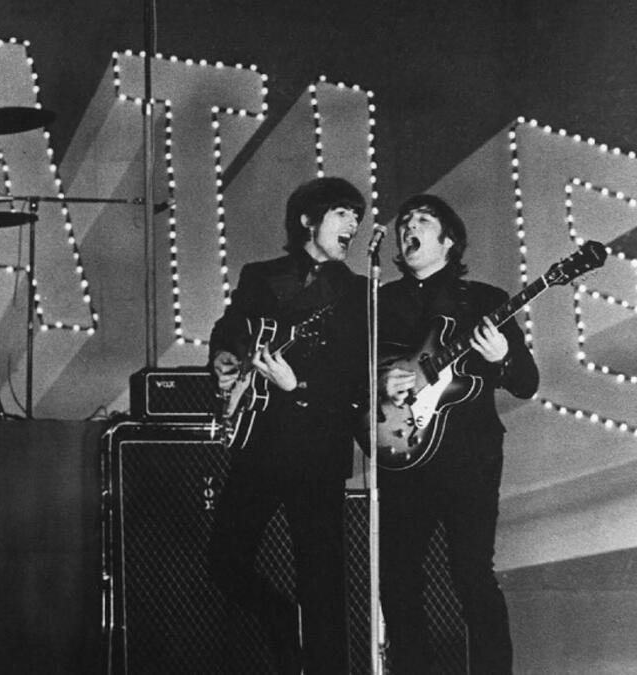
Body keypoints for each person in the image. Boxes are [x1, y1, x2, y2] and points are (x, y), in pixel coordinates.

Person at [207, 176, 368, 674]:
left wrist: (298, 386)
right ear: (307, 220)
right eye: (342, 213)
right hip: (260, 444)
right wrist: (225, 360)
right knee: (223, 562)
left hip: (318, 450)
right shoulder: (262, 276)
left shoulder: (359, 293)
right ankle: (280, 617)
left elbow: (355, 380)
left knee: (323, 585)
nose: (353, 225)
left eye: (356, 217)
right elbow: (231, 329)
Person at [377, 195, 538, 674]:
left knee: (471, 577)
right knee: (398, 581)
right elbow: (352, 376)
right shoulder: (380, 302)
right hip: (403, 453)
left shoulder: (485, 301)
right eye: (405, 220)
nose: (409, 226)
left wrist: (500, 357)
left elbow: (526, 383)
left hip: (468, 459)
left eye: (423, 219)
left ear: (448, 240)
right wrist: (383, 378)